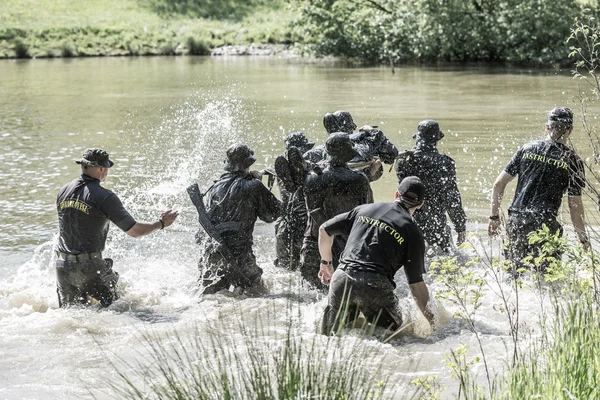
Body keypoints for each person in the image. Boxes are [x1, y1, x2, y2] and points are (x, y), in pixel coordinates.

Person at [56, 148, 179, 307]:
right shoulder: (104, 196)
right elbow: (134, 231)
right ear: (101, 169)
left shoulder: (63, 191)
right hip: (90, 268)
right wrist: (160, 223)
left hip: (63, 267)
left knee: (72, 317)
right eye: (106, 168)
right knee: (121, 308)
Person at [318, 176, 433, 335]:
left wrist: (326, 263)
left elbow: (324, 230)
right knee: (394, 336)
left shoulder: (364, 209)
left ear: (396, 195)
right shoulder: (413, 232)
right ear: (420, 204)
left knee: (330, 337)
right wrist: (433, 323)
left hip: (342, 278)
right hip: (375, 286)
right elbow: (416, 285)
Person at [489, 106, 588, 270]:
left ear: (547, 127)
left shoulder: (526, 148)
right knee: (549, 279)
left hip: (517, 220)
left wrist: (494, 218)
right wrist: (583, 240)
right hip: (545, 225)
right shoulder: (572, 161)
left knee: (513, 275)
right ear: (569, 130)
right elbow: (574, 207)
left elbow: (498, 184)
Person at [198, 144, 280, 294]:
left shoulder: (213, 188)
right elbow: (272, 215)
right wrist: (260, 185)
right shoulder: (253, 186)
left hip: (213, 253)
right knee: (257, 293)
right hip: (240, 254)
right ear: (248, 164)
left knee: (209, 296)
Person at [300, 132, 373, 289]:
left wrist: (329, 233)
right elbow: (368, 215)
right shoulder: (359, 179)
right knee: (347, 295)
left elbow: (313, 211)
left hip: (316, 243)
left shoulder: (313, 178)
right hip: (349, 245)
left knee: (312, 296)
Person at [395, 120, 467, 253]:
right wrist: (460, 227)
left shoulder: (403, 161)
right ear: (436, 141)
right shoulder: (445, 163)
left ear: (418, 138)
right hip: (437, 225)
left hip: (408, 222)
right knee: (444, 264)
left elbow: (401, 193)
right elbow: (452, 198)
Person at [303, 110, 398, 182]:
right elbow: (393, 152)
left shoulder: (318, 151)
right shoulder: (360, 145)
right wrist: (372, 131)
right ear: (349, 127)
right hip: (353, 188)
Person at [274, 132, 315, 270]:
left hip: (284, 225)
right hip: (306, 224)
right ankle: (300, 175)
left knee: (286, 269)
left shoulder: (278, 173)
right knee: (307, 270)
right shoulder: (314, 172)